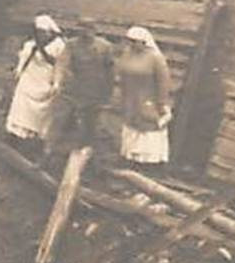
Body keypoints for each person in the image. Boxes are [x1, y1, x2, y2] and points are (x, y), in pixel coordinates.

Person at [47, 27, 117, 159]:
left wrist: (107, 93)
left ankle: (90, 156)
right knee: (61, 119)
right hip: (74, 90)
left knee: (91, 125)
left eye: (89, 32)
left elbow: (110, 71)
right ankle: (52, 152)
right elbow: (62, 63)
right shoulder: (71, 45)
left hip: (95, 91)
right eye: (83, 33)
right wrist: (57, 82)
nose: (86, 35)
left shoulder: (105, 47)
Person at [114, 25, 174, 167]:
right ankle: (130, 157)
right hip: (130, 96)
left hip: (148, 97)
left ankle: (150, 161)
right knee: (131, 125)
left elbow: (163, 81)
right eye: (130, 41)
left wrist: (161, 102)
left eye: (136, 41)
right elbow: (121, 72)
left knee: (148, 126)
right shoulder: (127, 54)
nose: (133, 44)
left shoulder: (155, 58)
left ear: (144, 41)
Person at [4, 14, 66, 152]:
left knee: (42, 110)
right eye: (39, 31)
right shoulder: (31, 44)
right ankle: (16, 134)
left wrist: (57, 82)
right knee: (21, 105)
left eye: (44, 31)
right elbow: (25, 58)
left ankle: (36, 136)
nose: (41, 34)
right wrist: (19, 70)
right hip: (30, 76)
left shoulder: (59, 45)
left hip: (46, 78)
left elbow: (61, 65)